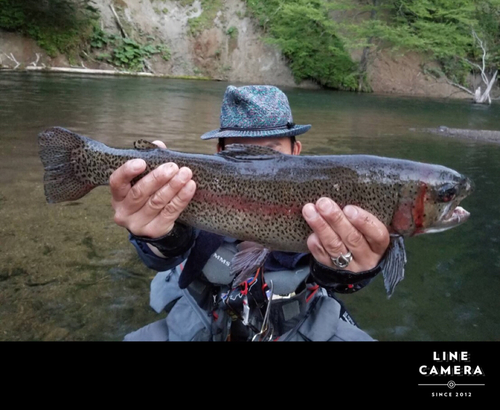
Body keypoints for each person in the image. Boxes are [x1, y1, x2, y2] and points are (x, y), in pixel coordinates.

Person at [111, 85, 390, 341]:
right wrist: (157, 236)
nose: (257, 170)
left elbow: (340, 277)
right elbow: (167, 251)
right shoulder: (186, 188)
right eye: (241, 153)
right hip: (198, 319)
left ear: (297, 151)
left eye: (271, 153)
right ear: (218, 151)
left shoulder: (331, 199)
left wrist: (351, 272)